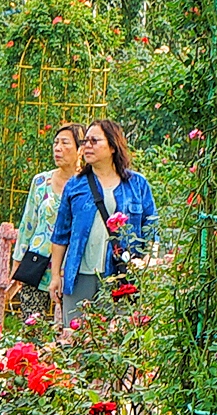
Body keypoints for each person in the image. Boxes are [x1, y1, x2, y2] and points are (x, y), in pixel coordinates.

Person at [51, 118, 158, 323]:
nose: (87, 146)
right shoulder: (75, 185)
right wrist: (56, 275)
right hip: (80, 274)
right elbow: (60, 233)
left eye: (94, 141)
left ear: (112, 146)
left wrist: (146, 263)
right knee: (76, 339)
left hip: (120, 276)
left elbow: (151, 227)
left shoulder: (137, 184)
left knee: (115, 341)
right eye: (85, 142)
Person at [13, 124, 81, 320]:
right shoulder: (41, 181)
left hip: (71, 267)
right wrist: (17, 264)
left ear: (80, 150)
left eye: (65, 143)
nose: (57, 148)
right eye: (55, 143)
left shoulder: (88, 185)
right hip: (37, 265)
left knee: (70, 330)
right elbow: (28, 224)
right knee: (33, 328)